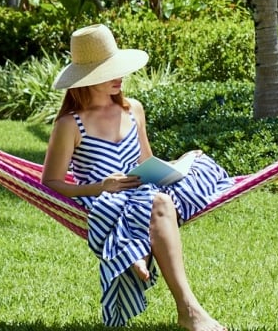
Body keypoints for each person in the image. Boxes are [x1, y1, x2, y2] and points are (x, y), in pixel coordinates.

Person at [41, 23, 234, 330]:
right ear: (87, 78)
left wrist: (178, 164)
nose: (119, 77)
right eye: (108, 72)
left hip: (144, 189)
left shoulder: (134, 110)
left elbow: (146, 161)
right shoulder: (69, 124)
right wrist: (101, 186)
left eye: (118, 69)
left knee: (196, 164)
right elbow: (50, 182)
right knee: (158, 201)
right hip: (105, 200)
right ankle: (189, 310)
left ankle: (134, 248)